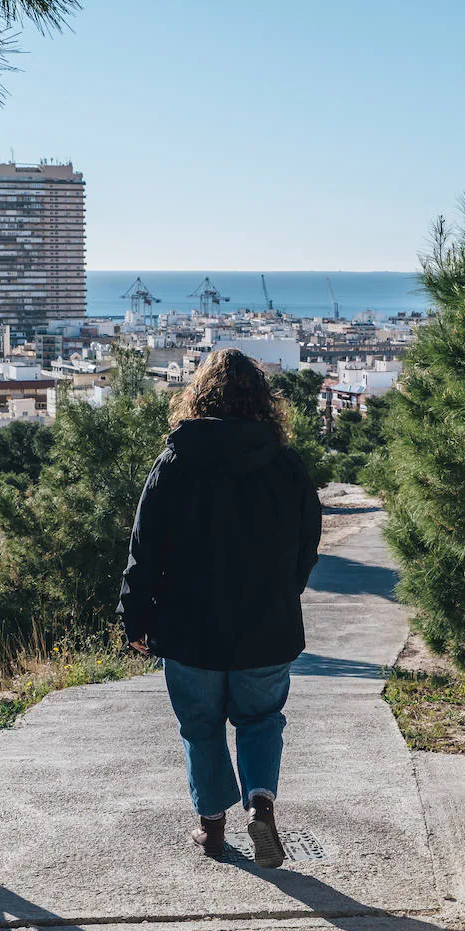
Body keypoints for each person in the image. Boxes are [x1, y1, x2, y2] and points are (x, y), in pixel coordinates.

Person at [118, 348, 323, 867]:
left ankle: (211, 829)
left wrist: (135, 616)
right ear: (263, 400)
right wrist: (285, 590)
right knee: (260, 719)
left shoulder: (176, 460)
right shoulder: (287, 465)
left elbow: (145, 548)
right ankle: (260, 802)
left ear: (199, 395)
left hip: (189, 626)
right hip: (266, 624)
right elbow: (307, 542)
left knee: (201, 725)